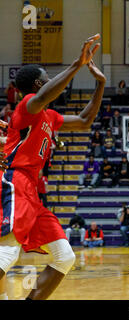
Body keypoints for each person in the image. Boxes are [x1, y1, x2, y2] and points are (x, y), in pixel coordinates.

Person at [0, 34, 105, 300]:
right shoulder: (27, 106)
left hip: (32, 191)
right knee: (8, 252)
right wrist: (76, 65)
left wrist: (100, 84)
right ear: (38, 84)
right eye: (47, 77)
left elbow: (83, 120)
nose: (51, 81)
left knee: (64, 256)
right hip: (15, 181)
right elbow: (48, 93)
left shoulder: (50, 116)